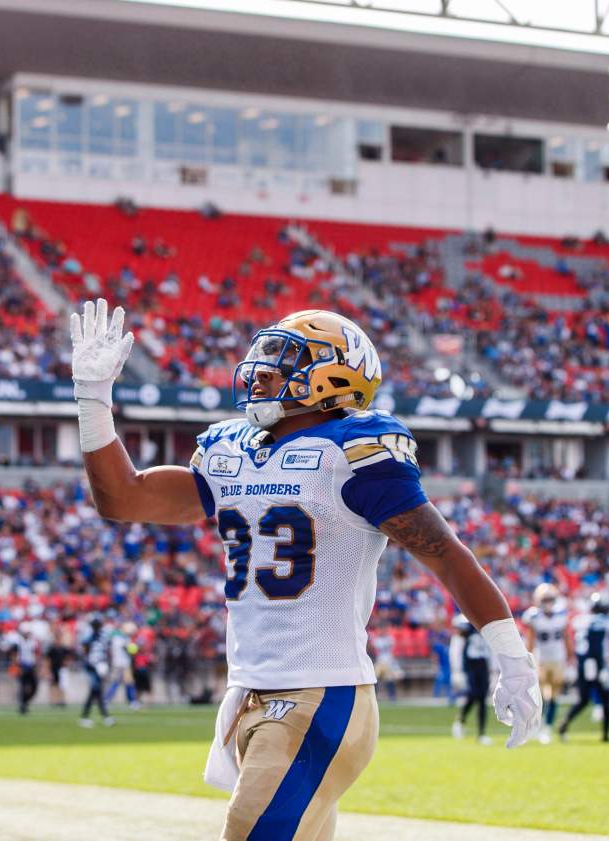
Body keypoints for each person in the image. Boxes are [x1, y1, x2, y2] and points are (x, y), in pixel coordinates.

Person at [69, 299, 541, 841]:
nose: (262, 368)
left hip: (321, 692)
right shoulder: (231, 450)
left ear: (335, 374)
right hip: (252, 690)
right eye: (263, 353)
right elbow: (123, 499)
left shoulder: (353, 451)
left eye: (285, 356)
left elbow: (446, 555)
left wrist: (512, 657)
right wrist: (93, 399)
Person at [558, 592, 609, 743]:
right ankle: (606, 735)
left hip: (583, 665)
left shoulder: (581, 620)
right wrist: (602, 667)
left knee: (583, 700)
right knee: (606, 700)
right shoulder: (604, 621)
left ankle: (564, 723)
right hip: (596, 664)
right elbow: (597, 647)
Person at [522, 582, 570, 743]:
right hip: (541, 659)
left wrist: (571, 656)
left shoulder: (561, 614)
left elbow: (566, 637)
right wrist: (527, 657)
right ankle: (538, 725)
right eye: (545, 599)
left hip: (558, 658)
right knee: (540, 695)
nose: (548, 602)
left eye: (550, 599)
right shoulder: (534, 616)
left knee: (554, 695)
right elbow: (530, 639)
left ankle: (547, 726)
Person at [450, 614, 492, 744]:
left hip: (483, 664)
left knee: (482, 699)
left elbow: (493, 647)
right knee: (473, 695)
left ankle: (481, 733)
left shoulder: (487, 622)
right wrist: (456, 670)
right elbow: (456, 648)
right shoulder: (465, 622)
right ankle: (461, 720)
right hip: (470, 666)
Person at [79, 616, 115, 728]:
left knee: (96, 691)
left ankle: (93, 717)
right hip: (91, 666)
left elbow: (107, 650)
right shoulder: (88, 636)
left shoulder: (103, 636)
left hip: (100, 666)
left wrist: (106, 663)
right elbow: (85, 650)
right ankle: (103, 716)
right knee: (96, 689)